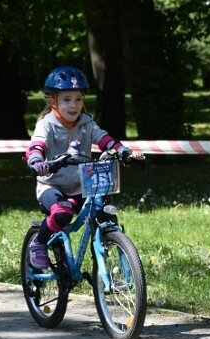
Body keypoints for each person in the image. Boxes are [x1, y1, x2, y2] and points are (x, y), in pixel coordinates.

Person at [24, 65, 136, 269]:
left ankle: (104, 250)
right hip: (52, 186)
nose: (73, 105)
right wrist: (36, 161)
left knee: (102, 213)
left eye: (78, 99)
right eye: (67, 99)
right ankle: (39, 243)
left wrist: (123, 151)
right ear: (53, 101)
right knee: (61, 213)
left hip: (81, 186)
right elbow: (37, 145)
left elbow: (104, 139)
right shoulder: (46, 125)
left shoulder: (87, 123)